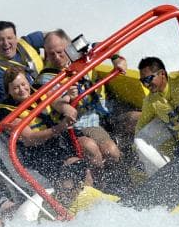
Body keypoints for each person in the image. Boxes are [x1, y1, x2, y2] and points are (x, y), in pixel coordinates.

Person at [39, 29, 127, 189]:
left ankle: (125, 183)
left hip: (96, 118)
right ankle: (102, 188)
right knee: (92, 149)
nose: (57, 58)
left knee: (111, 151)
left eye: (60, 52)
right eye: (51, 54)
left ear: (69, 47)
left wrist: (116, 59)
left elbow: (107, 46)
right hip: (71, 127)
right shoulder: (46, 76)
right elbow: (55, 101)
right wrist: (67, 101)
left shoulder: (81, 54)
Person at [0, 65, 106, 182]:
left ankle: (102, 185)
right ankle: (82, 194)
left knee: (90, 146)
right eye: (15, 88)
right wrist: (59, 127)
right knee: (78, 167)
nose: (22, 90)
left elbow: (57, 103)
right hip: (39, 151)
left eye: (23, 84)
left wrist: (68, 110)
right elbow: (30, 139)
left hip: (59, 138)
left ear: (28, 82)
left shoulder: (38, 91)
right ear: (8, 91)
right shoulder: (6, 112)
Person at [0, 20, 46, 100]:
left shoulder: (26, 43)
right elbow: (10, 98)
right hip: (34, 103)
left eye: (9, 38)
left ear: (16, 38)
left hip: (51, 89)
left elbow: (54, 37)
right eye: (0, 40)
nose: (6, 43)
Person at [50, 159, 120, 217]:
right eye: (59, 189)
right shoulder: (55, 195)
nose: (63, 194)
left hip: (119, 206)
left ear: (79, 187)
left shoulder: (84, 196)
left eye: (68, 190)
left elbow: (72, 221)